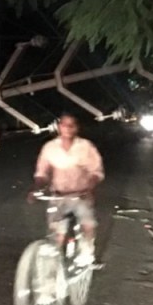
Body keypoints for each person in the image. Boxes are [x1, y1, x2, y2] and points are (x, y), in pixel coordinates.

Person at [28, 113, 105, 267]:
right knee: (56, 234)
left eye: (72, 125)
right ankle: (53, 267)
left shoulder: (86, 146)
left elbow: (96, 172)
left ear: (76, 128)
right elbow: (41, 173)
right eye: (64, 124)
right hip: (58, 196)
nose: (68, 128)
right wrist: (36, 189)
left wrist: (90, 187)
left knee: (87, 224)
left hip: (81, 195)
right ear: (59, 127)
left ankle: (87, 255)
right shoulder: (50, 148)